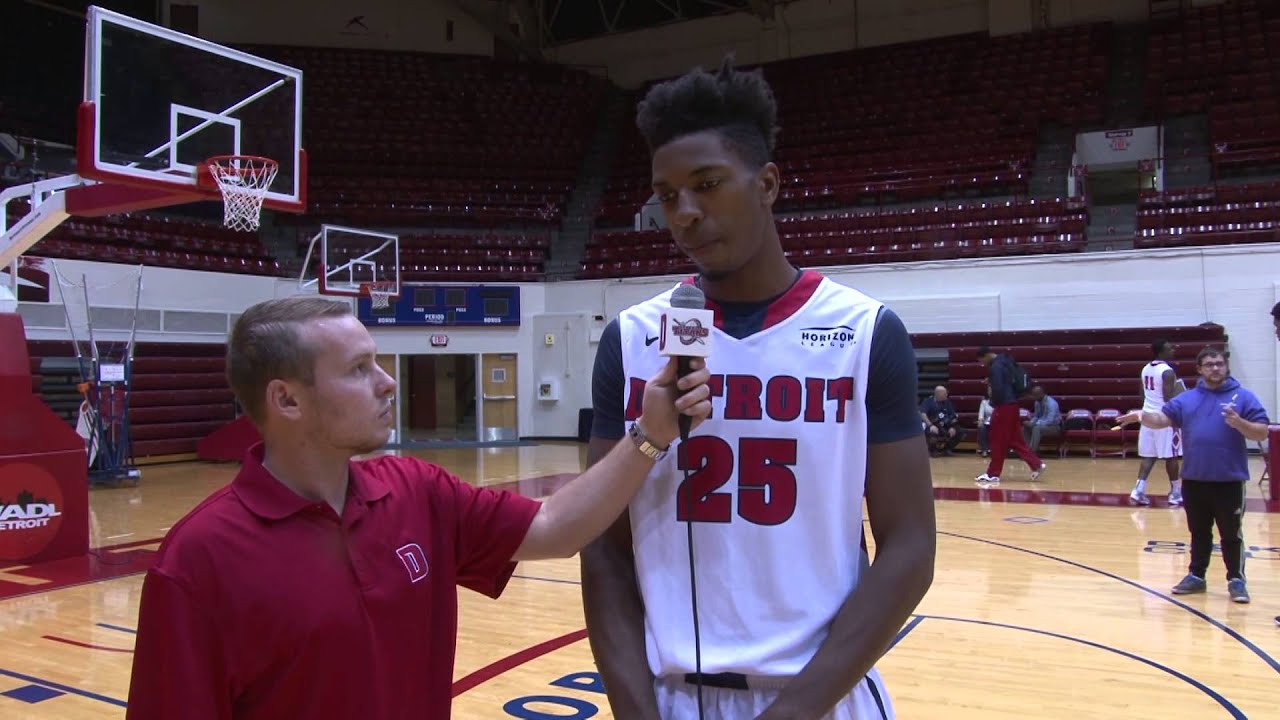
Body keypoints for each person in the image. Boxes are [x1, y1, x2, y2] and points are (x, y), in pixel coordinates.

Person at [124, 297, 714, 720]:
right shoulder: (199, 560)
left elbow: (555, 528)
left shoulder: (416, 491)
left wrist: (651, 433)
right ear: (287, 399)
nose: (386, 383)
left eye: (377, 362)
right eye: (359, 370)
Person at [579, 57, 936, 720]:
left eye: (707, 185)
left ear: (767, 182)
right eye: (667, 195)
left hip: (819, 699)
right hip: (671, 699)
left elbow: (910, 547)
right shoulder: (631, 338)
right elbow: (601, 544)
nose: (685, 213)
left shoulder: (864, 333)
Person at [1117, 347, 1270, 604]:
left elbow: (1262, 432)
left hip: (1229, 480)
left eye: (1219, 364)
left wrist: (1239, 423)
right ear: (1199, 369)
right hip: (1195, 479)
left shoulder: (1243, 397)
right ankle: (1196, 576)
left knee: (1231, 534)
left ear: (1226, 366)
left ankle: (1236, 580)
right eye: (1209, 364)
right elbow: (1162, 419)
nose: (1215, 368)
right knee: (1199, 532)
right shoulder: (1187, 400)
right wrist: (1142, 416)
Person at [975, 346, 1045, 486]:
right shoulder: (1007, 360)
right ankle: (1036, 463)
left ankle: (993, 473)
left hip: (1003, 406)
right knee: (1014, 439)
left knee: (997, 439)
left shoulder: (995, 367)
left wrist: (993, 400)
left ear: (987, 355)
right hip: (1013, 404)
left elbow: (999, 389)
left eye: (982, 360)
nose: (982, 364)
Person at [1129, 339, 1184, 507]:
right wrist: (1181, 393)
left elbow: (1142, 393)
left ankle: (1138, 490)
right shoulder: (1167, 371)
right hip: (1163, 418)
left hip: (1147, 416)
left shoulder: (1145, 368)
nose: (1173, 350)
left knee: (1148, 456)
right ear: (1160, 352)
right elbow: (1168, 398)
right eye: (1169, 348)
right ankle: (1175, 493)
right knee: (1171, 456)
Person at [920, 385, 962, 455]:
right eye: (944, 393)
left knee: (961, 432)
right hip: (934, 425)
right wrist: (931, 425)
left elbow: (953, 415)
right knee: (931, 433)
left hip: (946, 425)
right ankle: (933, 450)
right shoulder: (928, 402)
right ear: (938, 394)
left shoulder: (947, 402)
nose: (946, 395)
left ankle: (946, 449)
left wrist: (952, 427)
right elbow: (923, 414)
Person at [1021, 386, 1061, 453]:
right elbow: (1036, 416)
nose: (1033, 397)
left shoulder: (1052, 404)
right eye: (1033, 395)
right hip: (1042, 424)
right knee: (1026, 425)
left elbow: (1050, 421)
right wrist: (1031, 422)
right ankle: (1026, 450)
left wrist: (1034, 424)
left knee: (1036, 428)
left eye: (1035, 395)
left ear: (1041, 394)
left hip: (1054, 427)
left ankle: (1032, 451)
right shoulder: (1037, 402)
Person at [976, 384, 994, 457]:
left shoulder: (1001, 401)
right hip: (987, 422)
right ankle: (985, 449)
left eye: (992, 390)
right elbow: (981, 414)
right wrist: (980, 420)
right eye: (989, 390)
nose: (991, 392)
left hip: (998, 423)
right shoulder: (984, 402)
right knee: (981, 427)